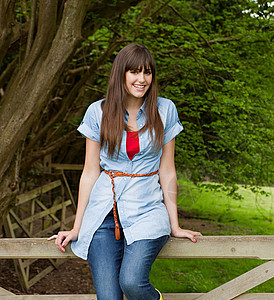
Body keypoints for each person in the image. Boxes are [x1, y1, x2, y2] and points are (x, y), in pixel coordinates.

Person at [48, 43, 202, 300]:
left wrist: (175, 225)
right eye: (134, 72)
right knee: (109, 297)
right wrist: (76, 227)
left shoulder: (165, 110)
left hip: (147, 211)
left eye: (148, 72)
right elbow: (89, 172)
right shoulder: (97, 111)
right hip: (102, 216)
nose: (142, 79)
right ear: (121, 74)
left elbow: (167, 171)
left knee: (132, 282)